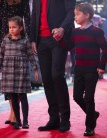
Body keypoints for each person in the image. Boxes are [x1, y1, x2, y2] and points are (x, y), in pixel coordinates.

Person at [30, 0, 76, 132]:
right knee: (47, 79)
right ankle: (54, 118)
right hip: (41, 40)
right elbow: (34, 14)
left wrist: (62, 28)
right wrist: (33, 38)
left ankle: (65, 119)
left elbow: (71, 11)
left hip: (58, 38)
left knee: (57, 75)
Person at [0, 16, 39, 129]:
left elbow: (30, 56)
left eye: (14, 27)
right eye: (9, 27)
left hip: (21, 71)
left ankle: (26, 121)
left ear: (21, 28)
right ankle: (18, 121)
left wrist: (35, 69)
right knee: (13, 97)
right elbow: (1, 55)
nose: (11, 29)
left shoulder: (25, 41)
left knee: (23, 96)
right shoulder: (5, 40)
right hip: (8, 71)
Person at [72, 3, 107, 136]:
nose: (75, 17)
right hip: (79, 69)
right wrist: (59, 38)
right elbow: (68, 46)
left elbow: (105, 49)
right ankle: (93, 114)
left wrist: (101, 65)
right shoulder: (75, 32)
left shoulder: (96, 31)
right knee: (76, 97)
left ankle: (90, 127)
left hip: (91, 70)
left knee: (88, 98)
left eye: (77, 14)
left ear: (87, 15)